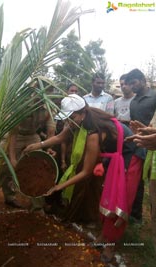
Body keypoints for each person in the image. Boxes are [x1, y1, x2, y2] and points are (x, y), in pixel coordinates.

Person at [23, 94, 145, 262]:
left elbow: (86, 171)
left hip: (130, 155)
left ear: (82, 113)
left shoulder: (93, 132)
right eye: (67, 118)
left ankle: (111, 244)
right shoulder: (79, 119)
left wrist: (60, 186)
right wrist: (38, 145)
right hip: (113, 155)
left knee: (120, 198)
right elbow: (61, 137)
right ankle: (104, 235)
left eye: (71, 117)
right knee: (107, 195)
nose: (69, 122)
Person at [4, 104, 56, 210]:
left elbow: (51, 132)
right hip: (16, 134)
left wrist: (49, 148)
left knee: (39, 165)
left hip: (32, 135)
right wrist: (13, 158)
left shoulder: (49, 107)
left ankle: (37, 205)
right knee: (4, 165)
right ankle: (9, 196)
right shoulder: (22, 104)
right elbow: (13, 133)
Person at [125, 68, 156, 224]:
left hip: (153, 146)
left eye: (134, 82)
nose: (132, 86)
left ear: (143, 80)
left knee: (152, 180)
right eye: (129, 84)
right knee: (136, 181)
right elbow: (134, 124)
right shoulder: (133, 102)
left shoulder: (154, 96)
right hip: (138, 145)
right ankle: (136, 215)